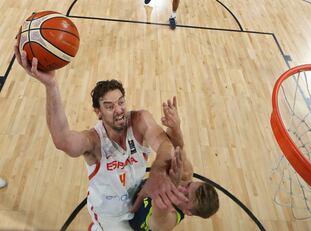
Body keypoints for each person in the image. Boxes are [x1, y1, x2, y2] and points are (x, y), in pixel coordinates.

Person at [14, 46, 187, 230]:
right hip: (109, 212)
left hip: (136, 198)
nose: (119, 110)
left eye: (121, 102)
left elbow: (165, 146)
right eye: (110, 106)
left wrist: (159, 172)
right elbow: (62, 140)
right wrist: (51, 85)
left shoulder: (139, 120)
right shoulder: (94, 140)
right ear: (98, 112)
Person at [129, 97, 219, 231]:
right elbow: (177, 147)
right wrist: (175, 127)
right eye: (189, 185)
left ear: (188, 211)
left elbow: (160, 207)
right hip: (134, 192)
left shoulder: (169, 220)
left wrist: (170, 182)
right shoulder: (186, 174)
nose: (182, 187)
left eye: (186, 195)